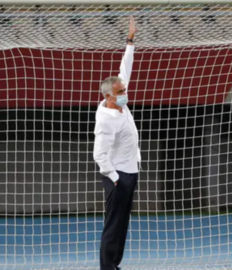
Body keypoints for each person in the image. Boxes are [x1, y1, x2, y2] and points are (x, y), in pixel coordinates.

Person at [93, 16, 140, 270]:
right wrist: (114, 178)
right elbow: (99, 155)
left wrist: (130, 40)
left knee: (123, 223)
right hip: (118, 175)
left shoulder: (118, 99)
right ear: (109, 96)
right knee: (113, 224)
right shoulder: (106, 120)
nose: (126, 94)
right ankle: (106, 268)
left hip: (130, 171)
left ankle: (115, 264)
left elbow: (126, 68)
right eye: (121, 92)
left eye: (124, 90)